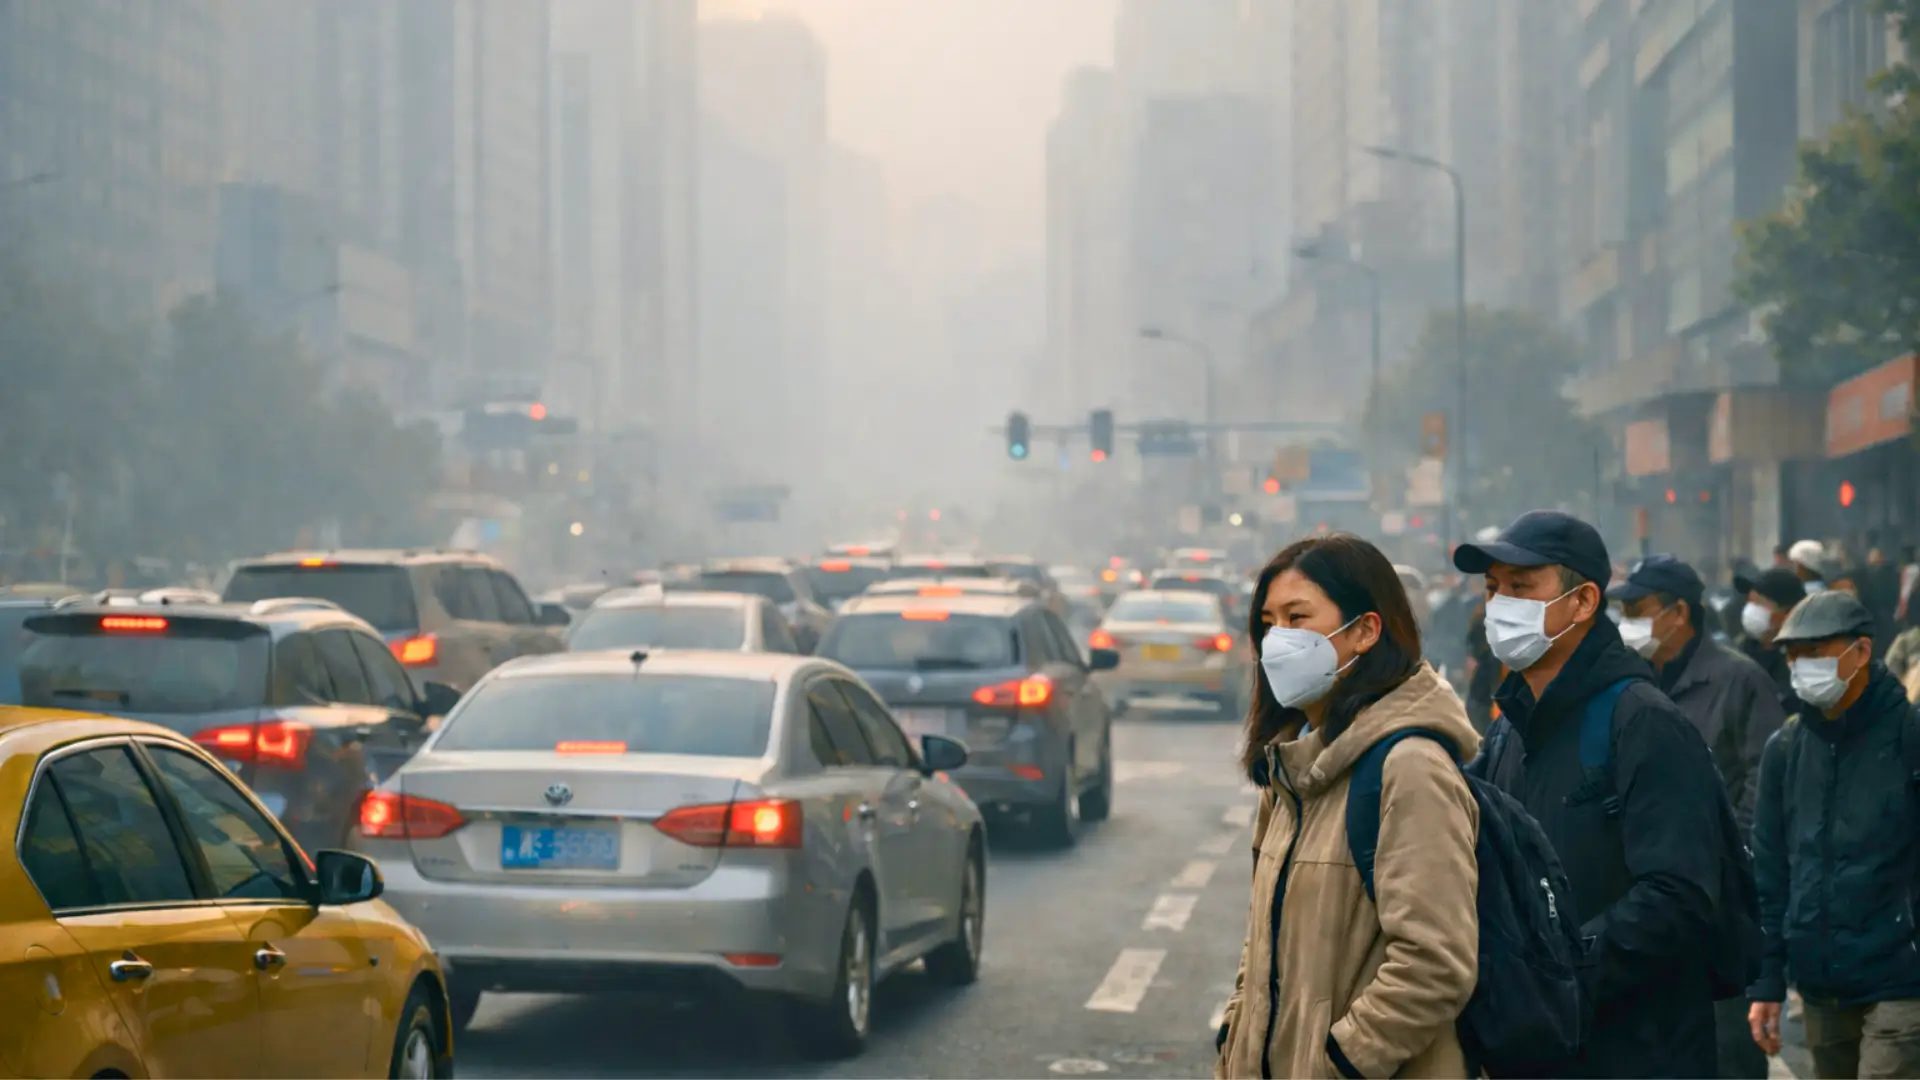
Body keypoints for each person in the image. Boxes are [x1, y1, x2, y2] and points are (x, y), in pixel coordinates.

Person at [1455, 510, 1726, 1078]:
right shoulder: (1510, 728)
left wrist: (1561, 970)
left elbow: (1681, 893)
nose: (1500, 605)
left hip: (1636, 1050)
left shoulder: (1643, 722)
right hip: (1535, 1045)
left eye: (1522, 587)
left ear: (1582, 602)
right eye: (1493, 588)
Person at [1217, 534, 1480, 1080]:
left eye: (1298, 617)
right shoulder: (1290, 772)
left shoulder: (1410, 768)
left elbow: (1435, 965)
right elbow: (1264, 943)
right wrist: (1236, 1036)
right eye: (1268, 622)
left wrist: (1338, 1063)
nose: (1276, 641)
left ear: (1365, 631)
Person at [1610, 554, 1785, 1078]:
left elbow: (1764, 776)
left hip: (1718, 898)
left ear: (1677, 613)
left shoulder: (1737, 679)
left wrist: (1727, 851)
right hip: (1651, 893)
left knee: (1727, 1048)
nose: (1629, 621)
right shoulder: (1635, 681)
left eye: (1637, 608)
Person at [1748, 590, 1920, 1080]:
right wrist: (1767, 982)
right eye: (1792, 655)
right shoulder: (1787, 749)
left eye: (1815, 653)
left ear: (1861, 652)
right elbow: (1770, 870)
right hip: (1822, 984)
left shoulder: (1910, 737)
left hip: (1903, 983)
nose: (1800, 667)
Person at [1736, 567, 1804, 704]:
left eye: (1758, 603)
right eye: (1749, 601)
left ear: (1787, 613)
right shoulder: (1741, 650)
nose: (1750, 610)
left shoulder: (1801, 659)